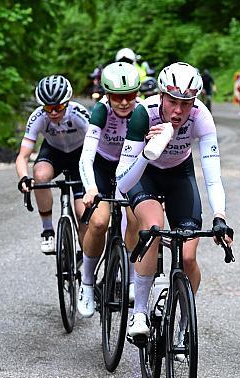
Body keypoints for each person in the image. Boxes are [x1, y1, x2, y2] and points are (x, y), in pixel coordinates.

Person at [116, 62, 233, 341]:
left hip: (180, 174)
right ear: (161, 97)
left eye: (186, 103)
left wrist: (220, 216)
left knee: (189, 254)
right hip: (144, 176)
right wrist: (146, 153)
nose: (179, 111)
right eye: (172, 101)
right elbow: (122, 182)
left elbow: (213, 177)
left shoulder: (201, 116)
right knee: (154, 228)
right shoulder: (144, 113)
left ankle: (182, 323)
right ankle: (140, 313)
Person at [76, 62, 142, 318]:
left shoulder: (142, 112)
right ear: (107, 94)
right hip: (103, 168)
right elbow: (86, 157)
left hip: (131, 168)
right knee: (99, 221)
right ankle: (87, 283)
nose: (124, 102)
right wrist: (91, 188)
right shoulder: (100, 112)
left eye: (130, 95)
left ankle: (133, 278)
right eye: (117, 96)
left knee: (134, 219)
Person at [16, 75, 90, 253]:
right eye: (48, 108)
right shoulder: (38, 117)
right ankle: (47, 231)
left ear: (67, 102)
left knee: (83, 213)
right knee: (40, 176)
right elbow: (22, 156)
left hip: (80, 154)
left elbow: (98, 147)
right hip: (54, 151)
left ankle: (88, 262)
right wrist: (24, 178)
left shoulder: (79, 114)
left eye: (58, 107)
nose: (53, 113)